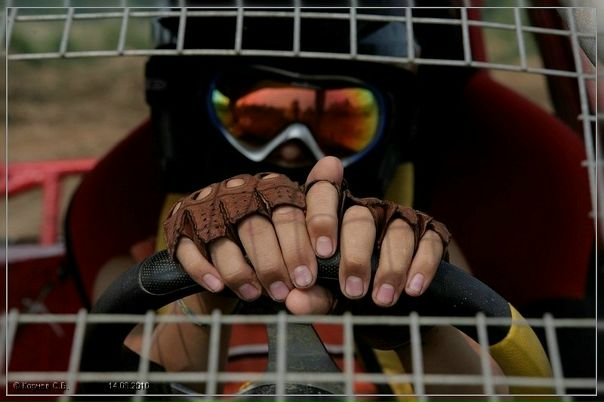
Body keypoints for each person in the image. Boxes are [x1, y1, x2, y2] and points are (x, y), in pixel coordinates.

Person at [82, 1, 592, 399]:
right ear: (199, 125)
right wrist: (200, 295)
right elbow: (124, 388)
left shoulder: (415, 253)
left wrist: (417, 328)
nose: (292, 146)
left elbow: (495, 397)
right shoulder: (135, 269)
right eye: (256, 115)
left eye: (341, 118)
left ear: (391, 132)